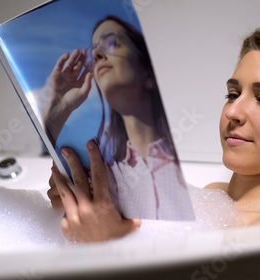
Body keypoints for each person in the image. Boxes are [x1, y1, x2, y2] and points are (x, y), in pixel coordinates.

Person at [48, 27, 260, 243]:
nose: (233, 112)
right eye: (232, 94)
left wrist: (106, 247)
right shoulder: (214, 195)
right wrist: (87, 205)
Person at [44, 15, 194, 225]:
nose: (96, 54)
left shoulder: (184, 167)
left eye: (112, 43)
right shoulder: (104, 178)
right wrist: (59, 109)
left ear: (149, 74)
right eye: (95, 52)